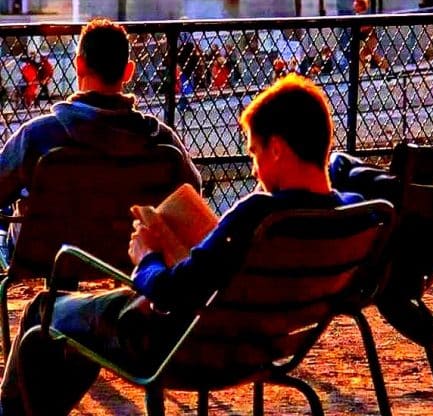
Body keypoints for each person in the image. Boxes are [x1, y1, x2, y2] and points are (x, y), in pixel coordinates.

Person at [0, 74, 363, 416]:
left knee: (44, 312)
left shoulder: (261, 214)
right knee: (79, 330)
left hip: (178, 347)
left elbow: (170, 294)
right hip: (264, 348)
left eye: (255, 154)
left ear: (279, 149)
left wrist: (148, 256)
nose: (254, 169)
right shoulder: (359, 215)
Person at [0, 18, 200, 256]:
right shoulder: (163, 141)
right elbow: (192, 194)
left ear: (79, 65)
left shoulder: (37, 136)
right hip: (132, 262)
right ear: (128, 71)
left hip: (51, 264)